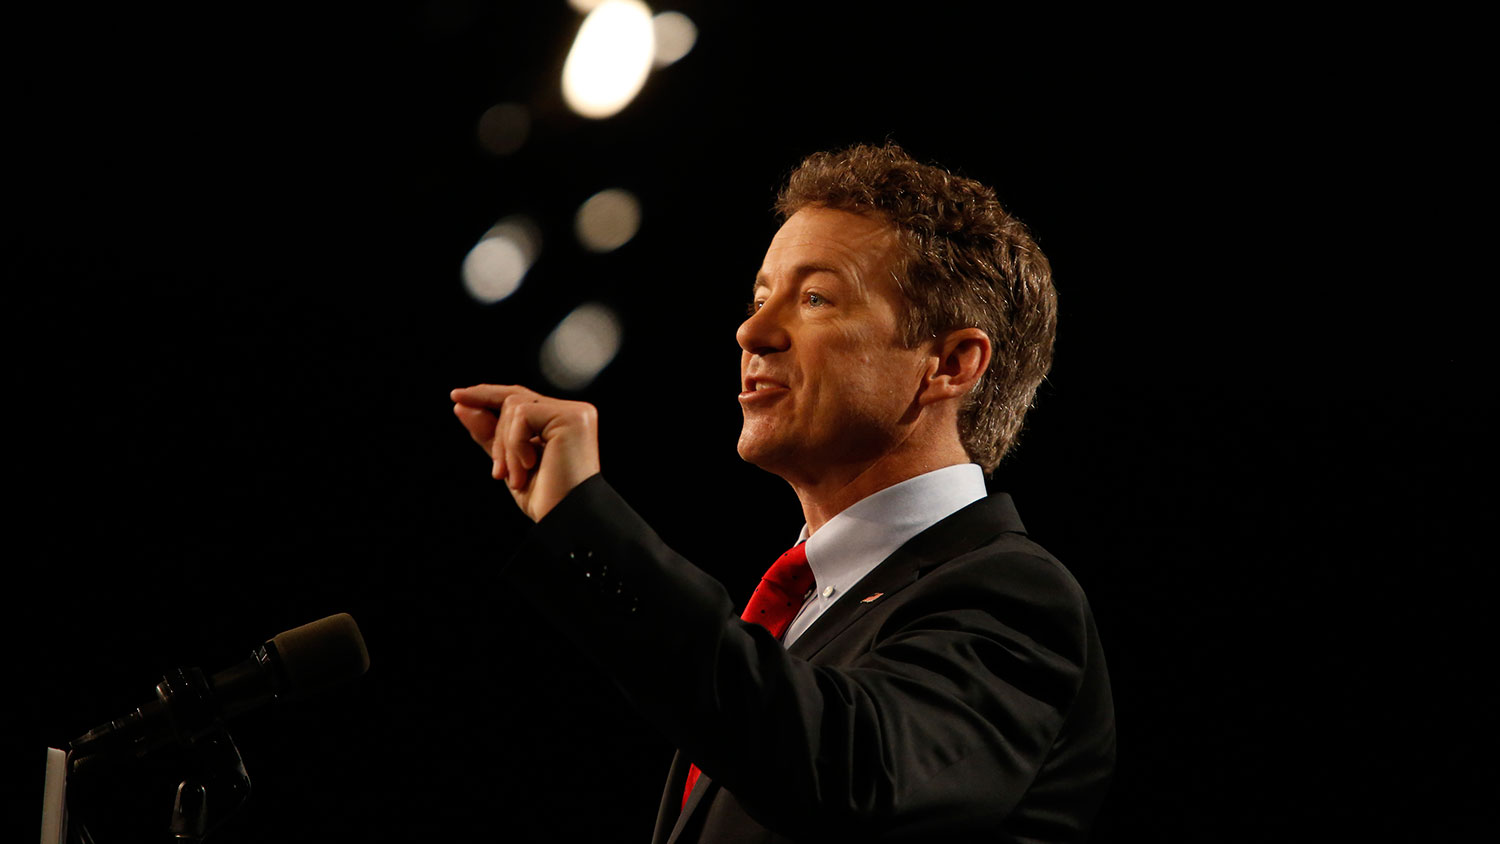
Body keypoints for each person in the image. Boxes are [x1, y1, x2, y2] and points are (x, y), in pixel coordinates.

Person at [450, 143, 1115, 843]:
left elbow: (854, 772)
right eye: (761, 297)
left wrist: (588, 527)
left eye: (816, 298)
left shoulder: (1012, 594)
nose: (752, 332)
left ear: (948, 364)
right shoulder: (806, 614)